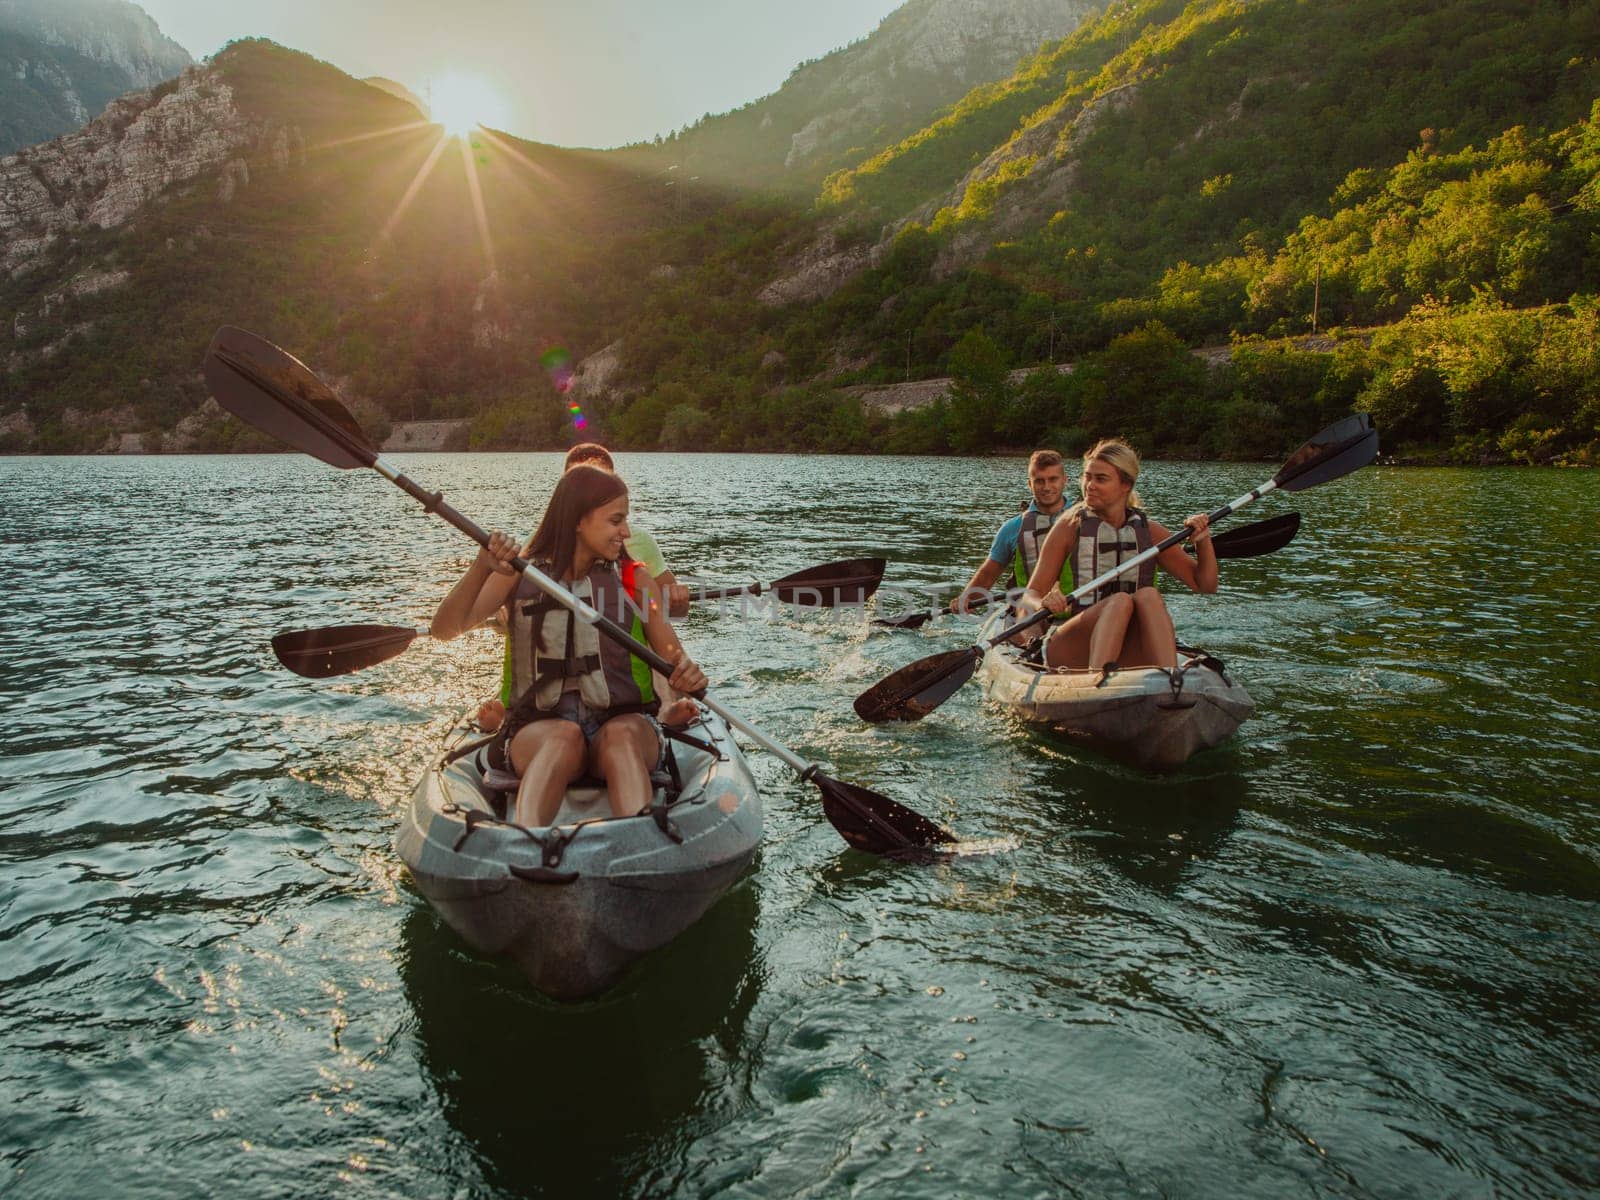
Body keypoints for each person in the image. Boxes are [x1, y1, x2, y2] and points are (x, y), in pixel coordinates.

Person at [432, 465, 706, 826]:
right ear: (579, 520)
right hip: (540, 727)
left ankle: (640, 841)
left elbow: (671, 653)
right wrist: (481, 566)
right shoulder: (519, 573)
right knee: (565, 736)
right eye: (615, 521)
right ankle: (525, 842)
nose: (625, 531)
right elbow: (445, 630)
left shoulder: (634, 579)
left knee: (621, 736)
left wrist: (687, 673)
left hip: (622, 723)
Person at [476, 442, 688, 731]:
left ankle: (665, 706)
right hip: (556, 681)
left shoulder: (636, 551)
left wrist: (674, 599)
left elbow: (668, 613)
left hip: (625, 660)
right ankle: (516, 709)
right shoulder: (536, 554)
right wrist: (507, 611)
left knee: (646, 641)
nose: (622, 530)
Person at [1015, 439, 1216, 678]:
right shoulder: (1069, 527)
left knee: (1148, 595)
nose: (1089, 485)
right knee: (1119, 601)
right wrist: (1044, 603)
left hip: (1128, 648)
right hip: (1073, 646)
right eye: (1087, 477)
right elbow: (1029, 595)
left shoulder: (1149, 532)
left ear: (1125, 485)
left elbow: (1204, 584)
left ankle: (1172, 682)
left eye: (1101, 479)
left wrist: (1203, 540)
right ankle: (1097, 682)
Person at [950, 449, 1071, 614]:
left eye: (1053, 479)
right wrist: (966, 599)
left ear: (1065, 480)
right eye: (1039, 481)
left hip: (1075, 608)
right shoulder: (1012, 528)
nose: (1046, 487)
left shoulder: (1087, 520)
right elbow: (988, 574)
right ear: (1030, 484)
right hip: (1028, 611)